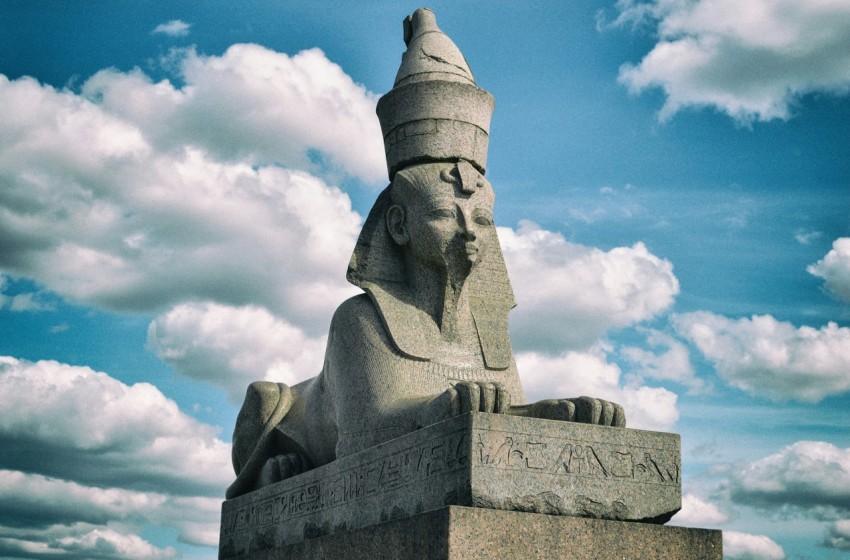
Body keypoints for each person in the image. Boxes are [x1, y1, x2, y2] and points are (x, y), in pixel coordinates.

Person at [226, 160, 625, 499]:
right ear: (399, 225)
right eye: (444, 215)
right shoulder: (357, 319)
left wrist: (549, 413)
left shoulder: (488, 329)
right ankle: (260, 471)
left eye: (482, 220)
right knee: (265, 397)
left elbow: (498, 414)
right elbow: (363, 434)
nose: (470, 231)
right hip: (300, 427)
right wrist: (436, 408)